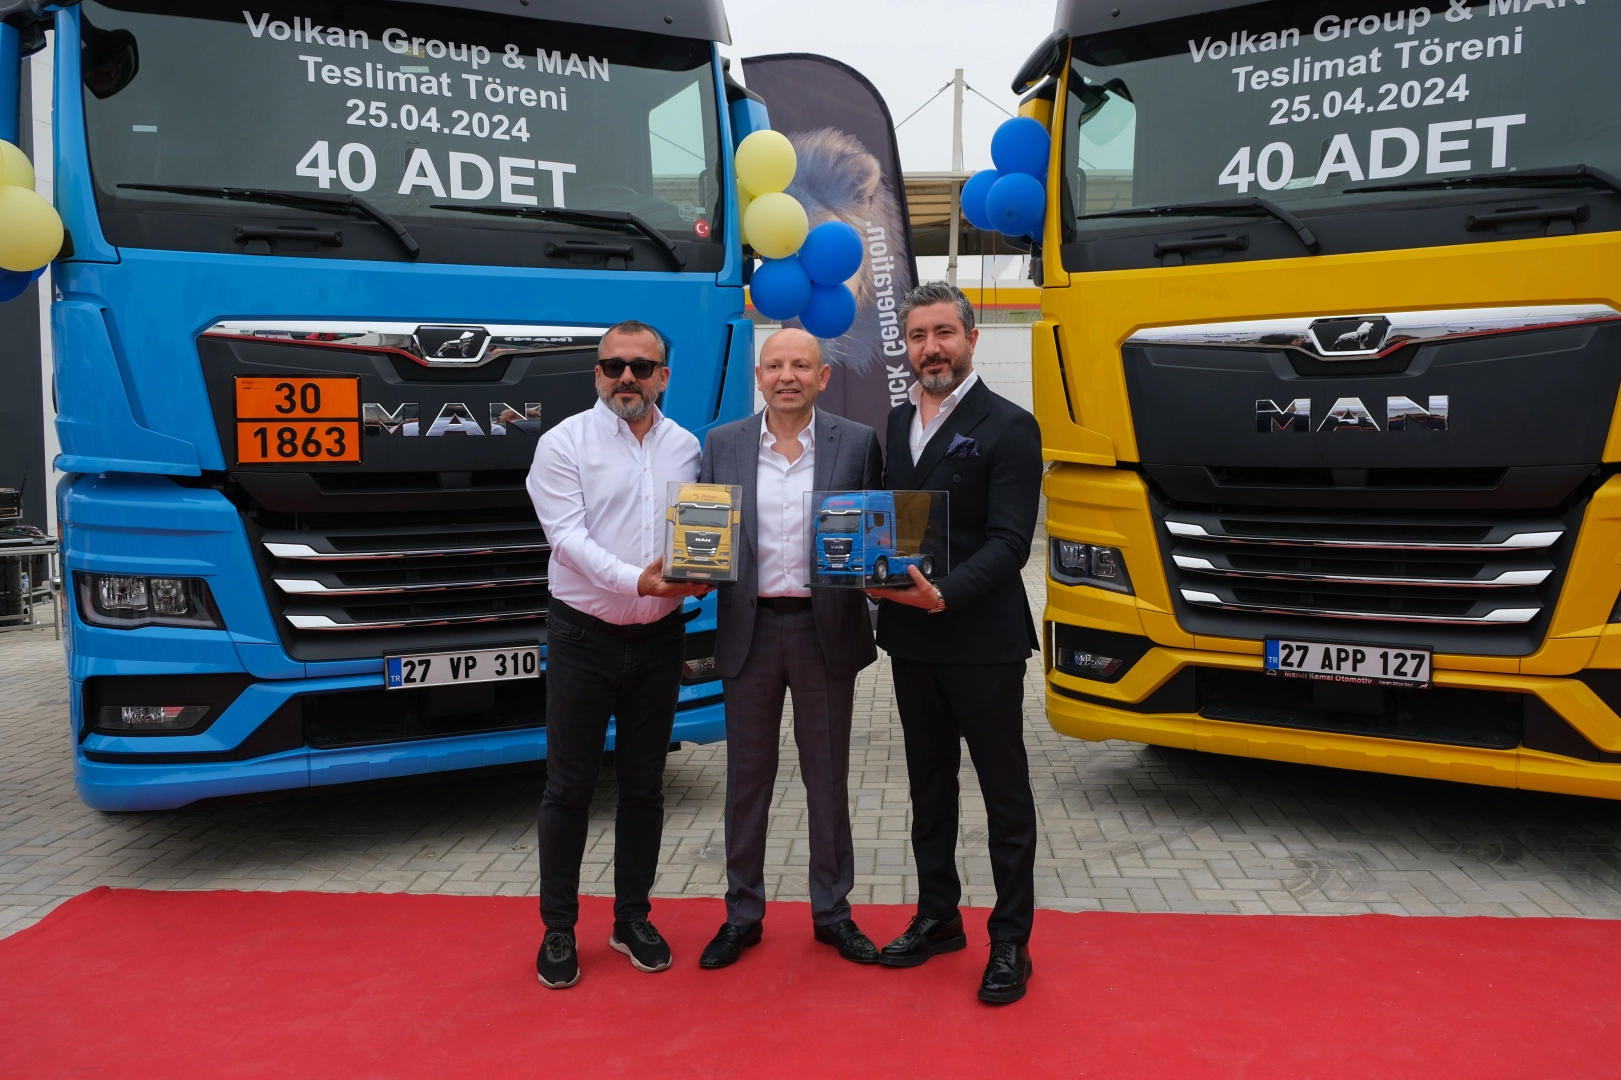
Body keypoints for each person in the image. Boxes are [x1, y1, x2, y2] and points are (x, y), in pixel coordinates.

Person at [868, 282, 1044, 1004]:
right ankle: (939, 916)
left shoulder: (1010, 425)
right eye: (917, 336)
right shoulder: (895, 420)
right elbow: (890, 523)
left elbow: (1010, 542)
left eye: (943, 333)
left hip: (982, 640)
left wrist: (945, 593)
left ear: (972, 339)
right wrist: (865, 572)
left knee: (1004, 794)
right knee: (929, 788)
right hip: (912, 640)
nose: (930, 348)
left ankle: (1011, 942)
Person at [525, 319, 712, 989]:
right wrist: (639, 581)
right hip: (584, 637)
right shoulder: (561, 444)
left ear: (664, 376)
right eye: (613, 366)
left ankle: (632, 918)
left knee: (644, 787)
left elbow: (700, 532)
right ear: (596, 374)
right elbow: (567, 540)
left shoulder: (687, 447)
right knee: (569, 788)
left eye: (641, 366)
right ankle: (558, 927)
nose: (626, 377)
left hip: (660, 639)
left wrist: (701, 572)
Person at [695, 328, 885, 969]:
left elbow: (876, 530)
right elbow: (706, 532)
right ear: (759, 375)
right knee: (747, 778)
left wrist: (884, 572)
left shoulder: (856, 443)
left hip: (822, 630)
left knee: (826, 777)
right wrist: (692, 567)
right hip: (748, 630)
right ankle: (741, 915)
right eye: (775, 365)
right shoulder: (722, 444)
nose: (787, 376)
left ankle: (833, 913)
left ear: (822, 377)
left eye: (801, 365)